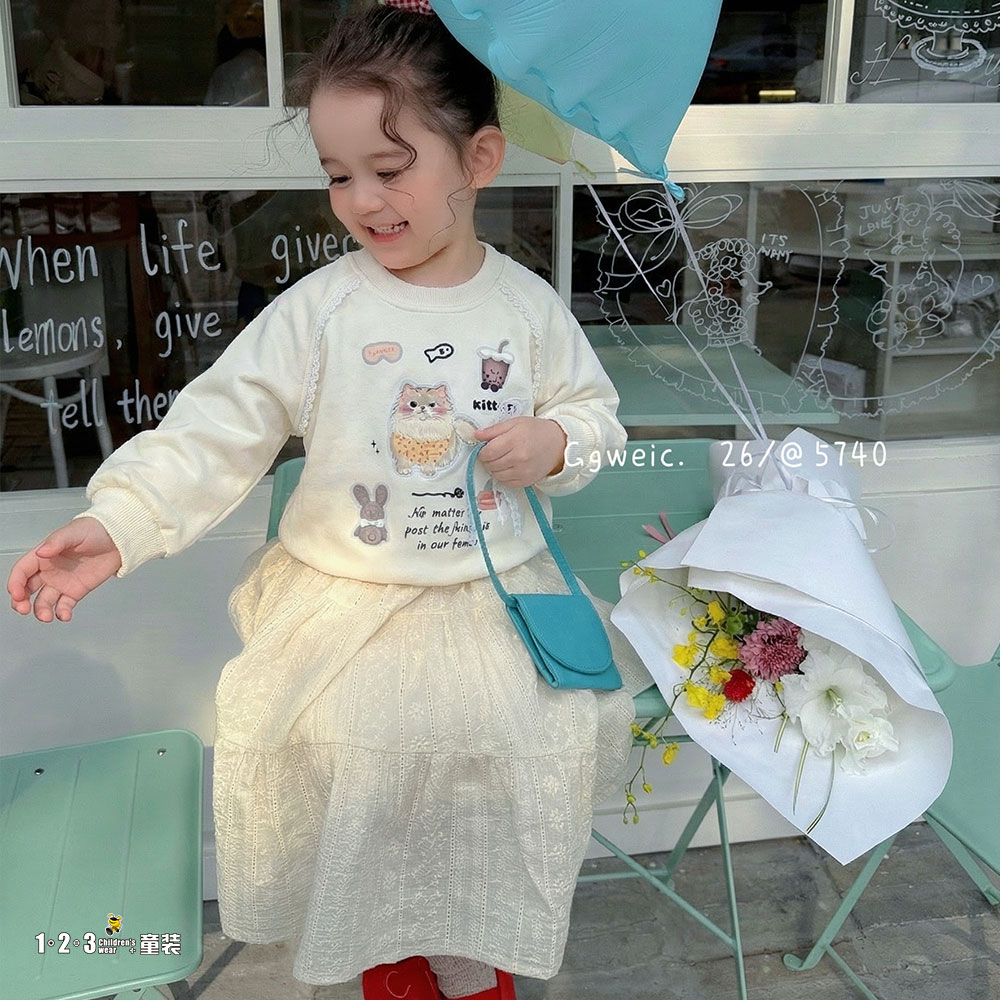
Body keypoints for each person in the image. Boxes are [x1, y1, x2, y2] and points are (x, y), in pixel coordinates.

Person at [7, 5, 650, 998]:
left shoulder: (526, 308)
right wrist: (120, 521)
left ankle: (473, 952)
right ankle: (385, 954)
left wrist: (557, 440)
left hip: (493, 602)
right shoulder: (322, 310)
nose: (363, 200)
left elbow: (598, 418)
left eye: (390, 169)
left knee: (514, 758)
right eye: (339, 174)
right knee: (360, 776)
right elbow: (217, 427)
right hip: (348, 604)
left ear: (479, 157)